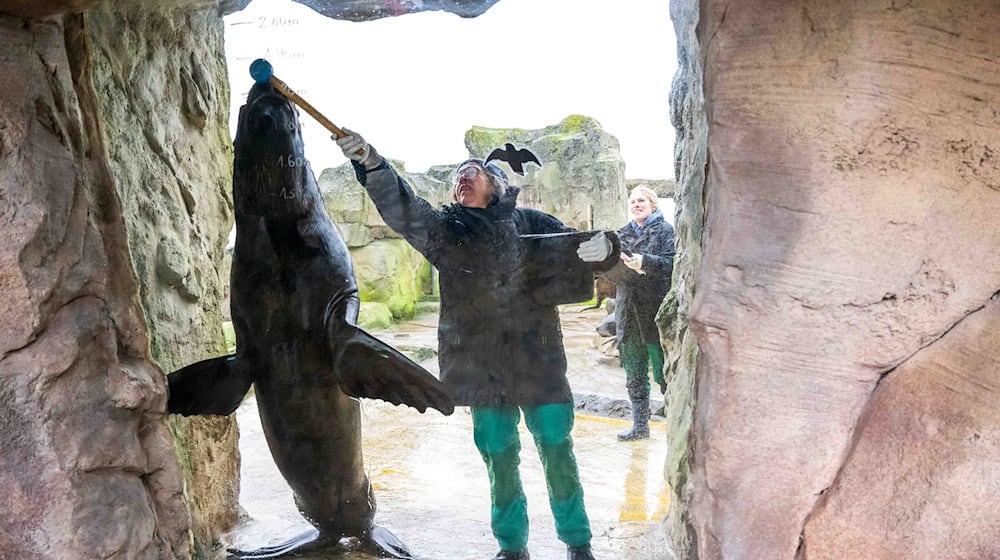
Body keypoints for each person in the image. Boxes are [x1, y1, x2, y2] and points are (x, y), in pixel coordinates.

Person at [335, 130, 619, 560]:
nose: (462, 179)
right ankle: (512, 547)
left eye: (472, 172)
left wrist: (608, 248)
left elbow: (583, 252)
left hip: (538, 361)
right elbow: (404, 210)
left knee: (558, 448)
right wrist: (373, 164)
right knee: (498, 455)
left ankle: (577, 542)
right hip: (480, 367)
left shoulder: (533, 223)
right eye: (458, 176)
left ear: (495, 185)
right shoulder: (447, 233)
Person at [600, 185, 676, 441]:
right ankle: (640, 426)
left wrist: (645, 261)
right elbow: (608, 272)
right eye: (632, 201)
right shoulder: (620, 235)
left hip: (654, 312)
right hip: (627, 312)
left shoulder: (665, 231)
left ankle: (677, 424)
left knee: (664, 371)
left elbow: (673, 264)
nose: (636, 205)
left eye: (641, 200)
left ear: (653, 204)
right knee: (634, 371)